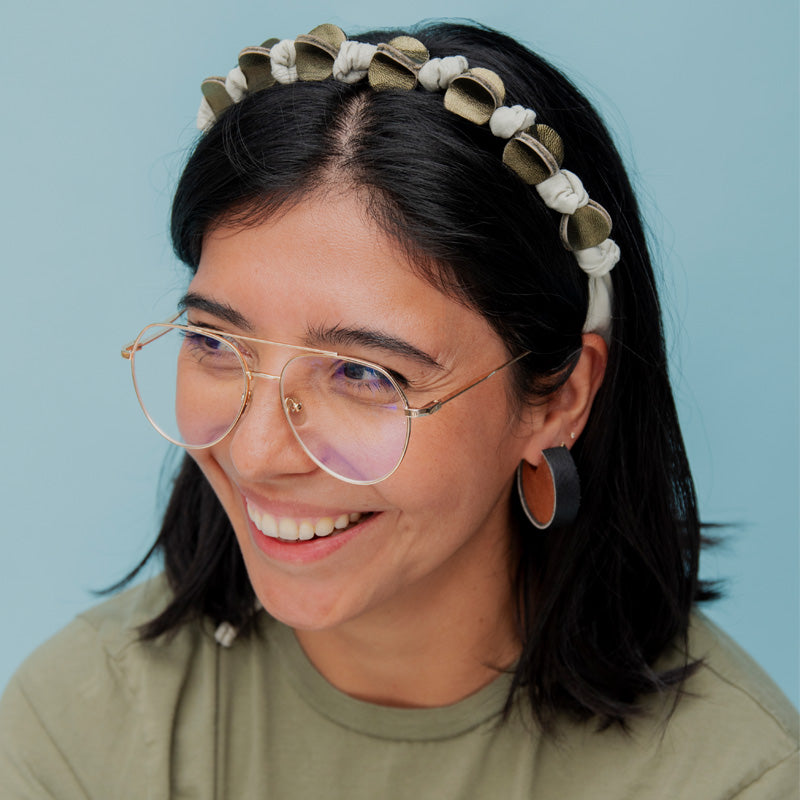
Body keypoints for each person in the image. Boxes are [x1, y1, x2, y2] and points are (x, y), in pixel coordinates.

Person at [0, 21, 796, 799]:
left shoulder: (731, 777)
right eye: (215, 342)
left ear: (559, 398)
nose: (255, 454)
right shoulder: (81, 731)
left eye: (363, 372)